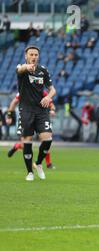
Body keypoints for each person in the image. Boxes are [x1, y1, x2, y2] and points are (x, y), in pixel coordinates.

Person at [6, 45, 56, 181]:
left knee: (48, 139)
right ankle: (29, 172)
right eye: (31, 55)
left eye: (36, 55)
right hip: (26, 110)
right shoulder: (21, 69)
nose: (34, 57)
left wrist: (48, 97)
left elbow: (52, 89)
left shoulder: (43, 70)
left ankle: (39, 163)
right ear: (26, 56)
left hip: (41, 110)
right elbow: (19, 69)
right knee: (27, 141)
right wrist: (26, 67)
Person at [6, 92, 56, 169]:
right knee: (25, 145)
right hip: (26, 118)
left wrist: (52, 110)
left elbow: (51, 103)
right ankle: (17, 147)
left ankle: (48, 164)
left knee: (46, 141)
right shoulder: (23, 90)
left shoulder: (41, 91)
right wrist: (9, 116)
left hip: (40, 118)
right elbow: (13, 102)